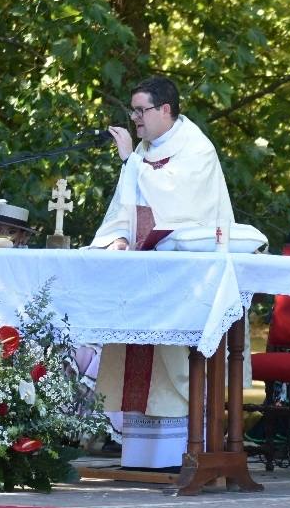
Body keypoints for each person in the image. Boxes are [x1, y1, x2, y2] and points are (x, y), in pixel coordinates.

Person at [90, 75, 236, 469]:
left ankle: (178, 452)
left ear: (165, 110)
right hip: (144, 273)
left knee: (172, 361)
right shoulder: (145, 149)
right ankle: (139, 455)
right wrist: (118, 238)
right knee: (136, 353)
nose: (135, 119)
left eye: (141, 110)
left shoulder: (197, 150)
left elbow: (175, 206)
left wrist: (129, 161)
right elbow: (127, 205)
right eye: (133, 111)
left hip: (185, 280)